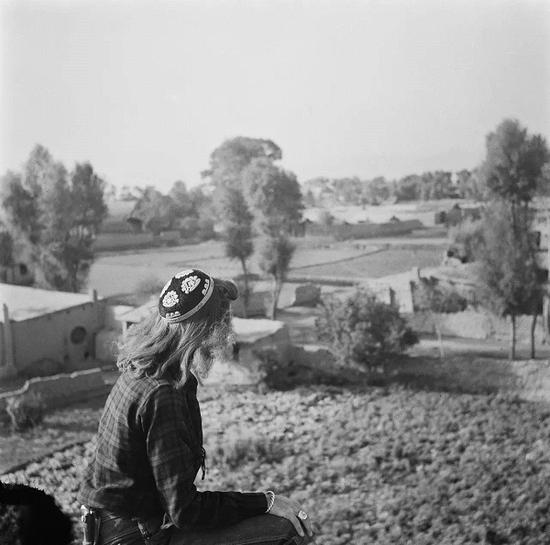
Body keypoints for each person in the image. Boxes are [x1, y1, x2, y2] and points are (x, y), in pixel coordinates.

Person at [79, 268, 314, 545]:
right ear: (205, 330)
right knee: (288, 529)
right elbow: (186, 511)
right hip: (134, 535)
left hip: (114, 525)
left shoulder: (142, 369)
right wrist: (265, 501)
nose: (227, 331)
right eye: (223, 320)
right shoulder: (163, 394)